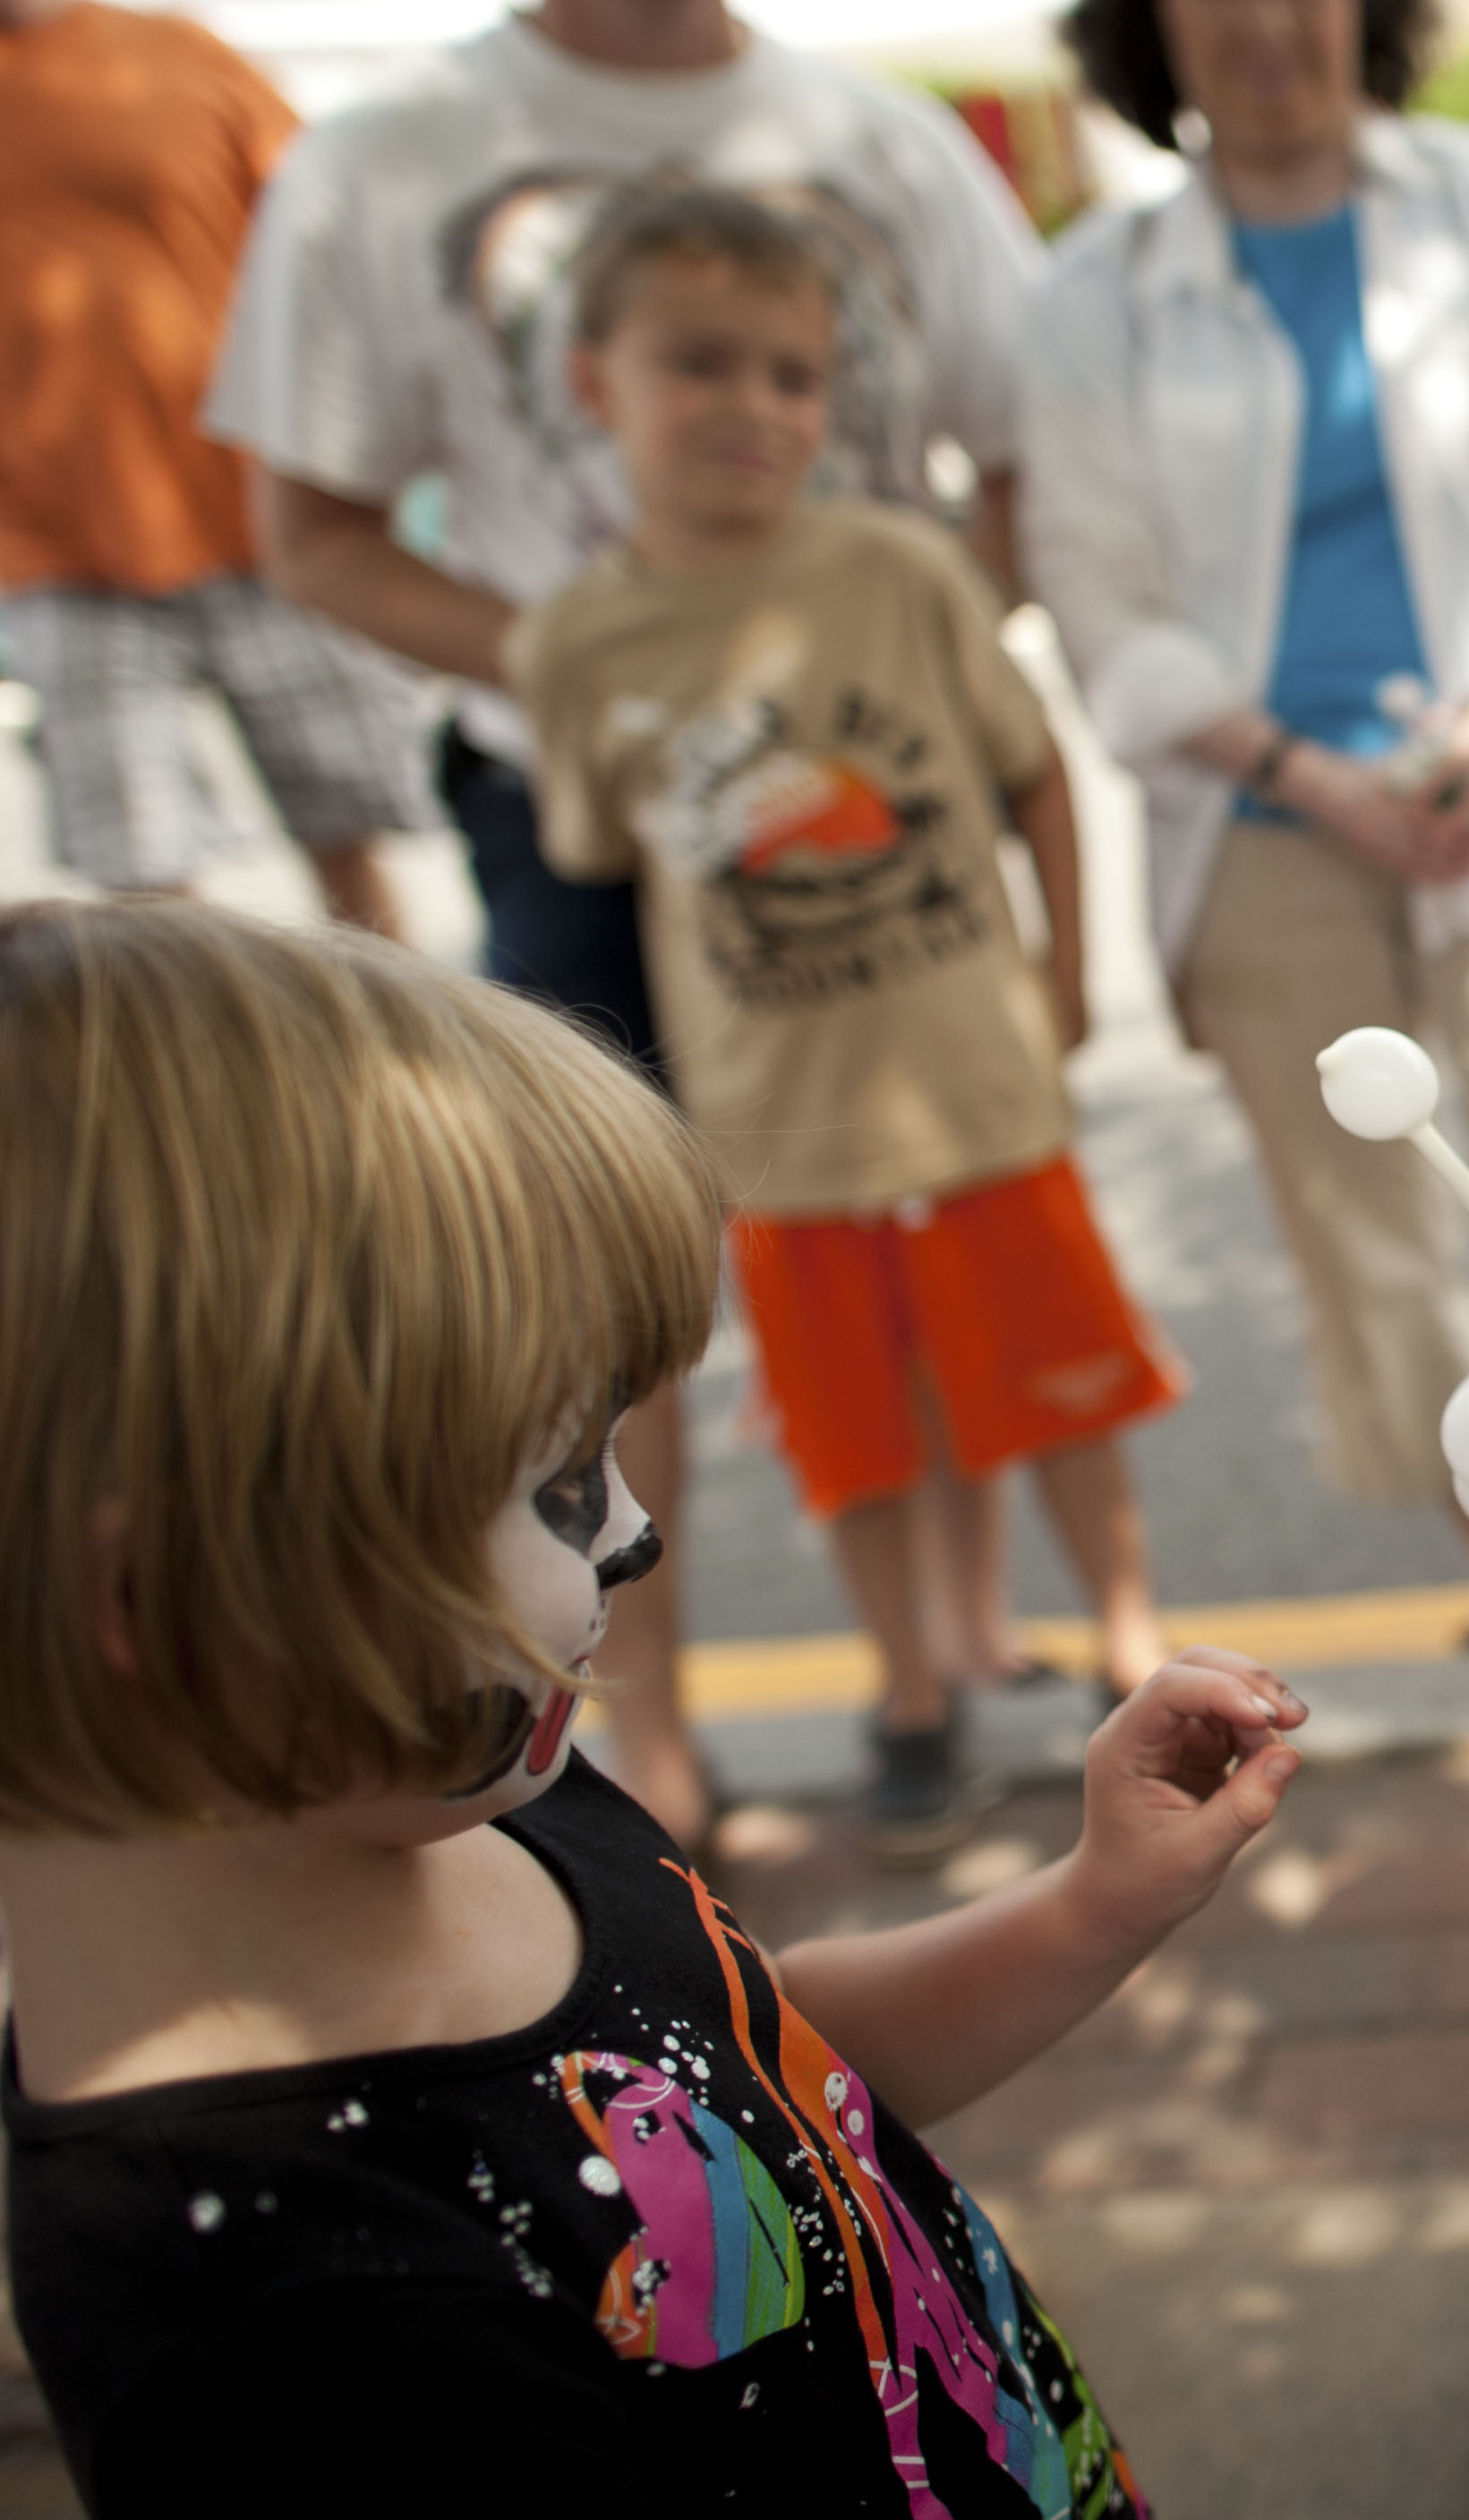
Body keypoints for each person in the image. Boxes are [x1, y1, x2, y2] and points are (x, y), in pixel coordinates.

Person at [0, 895, 1308, 2520]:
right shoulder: (311, 2351)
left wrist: (1093, 1903)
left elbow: (750, 2077)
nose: (634, 1532)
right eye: (553, 1484)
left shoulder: (469, 1793)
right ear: (162, 1606)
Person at [206, 0, 1055, 1857]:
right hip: (578, 815)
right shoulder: (382, 153)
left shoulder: (884, 139)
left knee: (943, 1239)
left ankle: (955, 1662)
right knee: (604, 1286)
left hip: (877, 796)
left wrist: (894, 647)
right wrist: (617, 681)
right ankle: (637, 1703)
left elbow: (1028, 446)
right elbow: (309, 527)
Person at [508, 187, 1181, 1858]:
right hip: (775, 1130)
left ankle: (1126, 1626)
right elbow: (609, 865)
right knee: (853, 1431)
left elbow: (1034, 776)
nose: (755, 406)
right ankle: (908, 1682)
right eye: (702, 364)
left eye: (794, 375)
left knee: (1058, 1385)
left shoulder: (899, 570)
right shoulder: (575, 644)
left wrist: (1069, 974)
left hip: (973, 1085)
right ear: (596, 381)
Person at [1029, 0, 1469, 1653]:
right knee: (1377, 1228)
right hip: (1261, 824)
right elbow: (1098, 593)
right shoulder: (1092, 294)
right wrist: (1306, 771)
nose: (1265, 22)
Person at [0, 0, 422, 936]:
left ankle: (401, 1067)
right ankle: (202, 1075)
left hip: (249, 511)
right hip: (47, 538)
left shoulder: (175, 56)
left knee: (344, 822)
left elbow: (324, 234)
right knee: (139, 868)